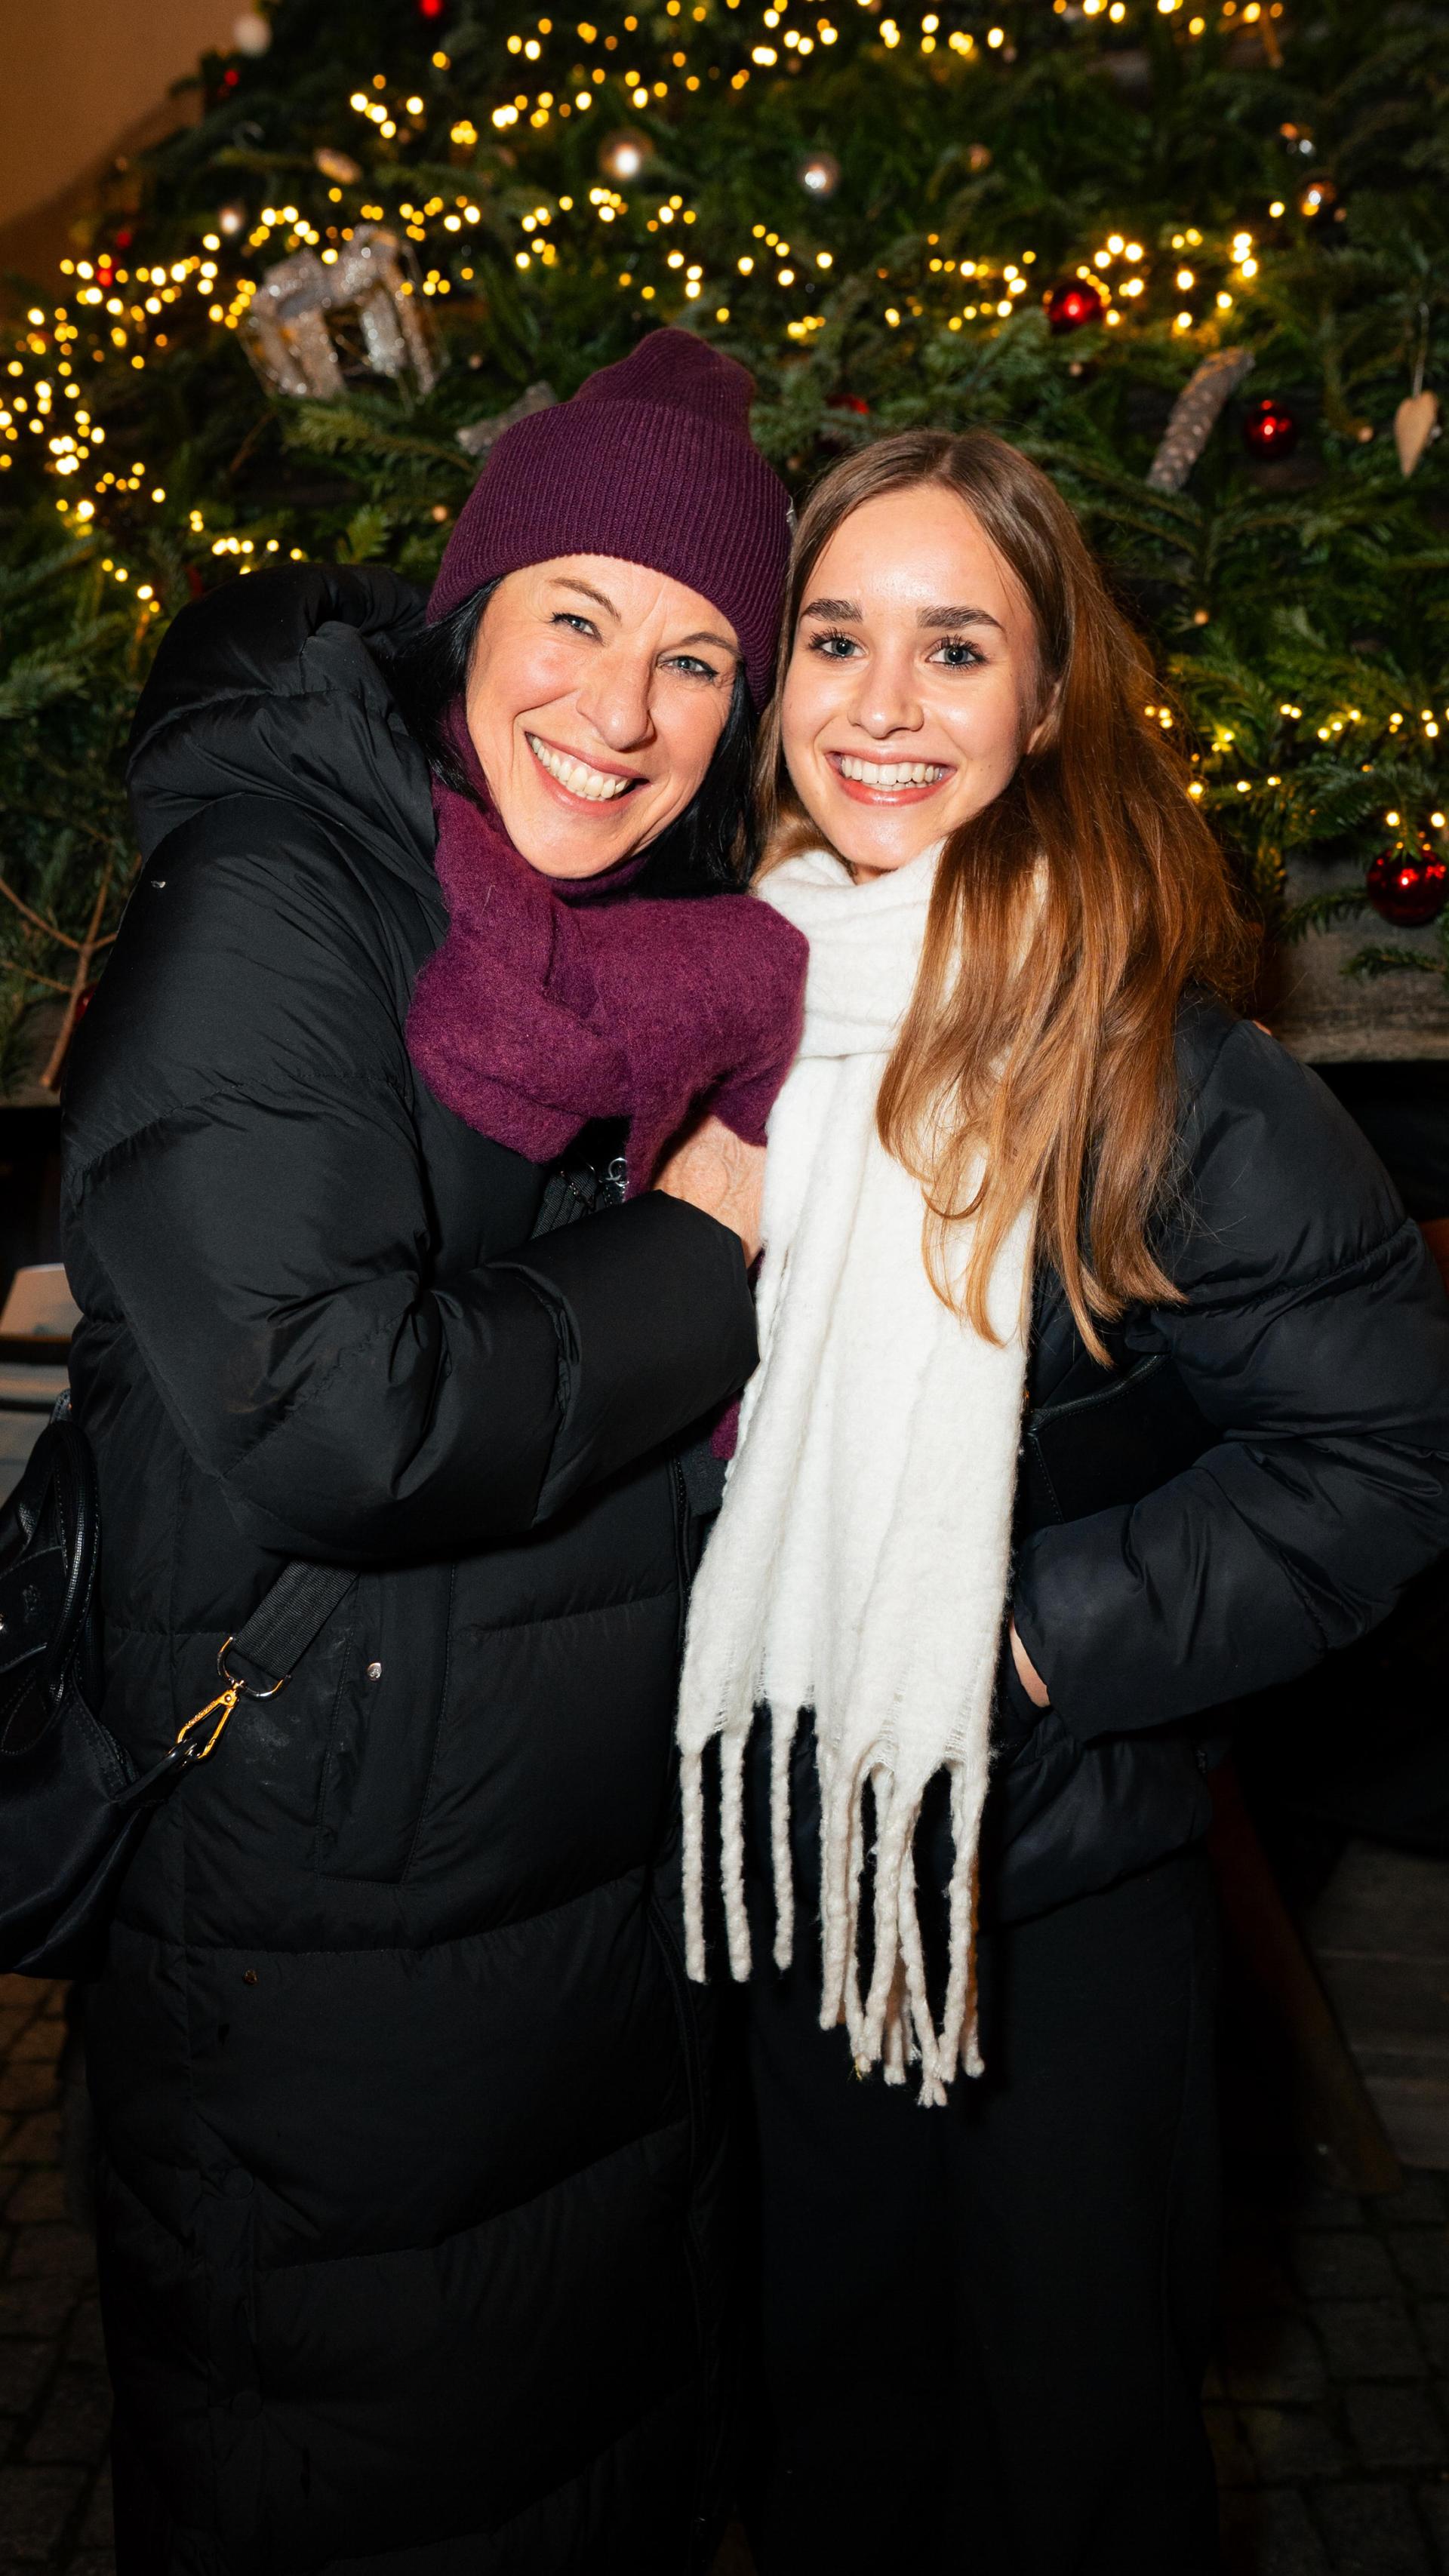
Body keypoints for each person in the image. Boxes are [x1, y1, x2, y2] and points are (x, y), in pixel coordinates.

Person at [60, 330, 805, 2575]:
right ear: (468, 607)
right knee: (368, 2470)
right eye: (576, 613)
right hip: (329, 1902)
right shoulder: (289, 880)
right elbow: (329, 1412)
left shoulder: (634, 936)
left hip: (553, 1881)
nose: (627, 708)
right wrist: (707, 1251)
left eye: (699, 657)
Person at [676, 428, 1449, 2575]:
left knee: (1064, 2462)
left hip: (1044, 1892)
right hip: (768, 1874)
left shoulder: (1152, 1061)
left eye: (956, 648)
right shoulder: (715, 1010)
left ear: (1046, 703)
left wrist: (1030, 1632)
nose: (884, 707)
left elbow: (1386, 1449)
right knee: (830, 2428)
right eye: (838, 639)